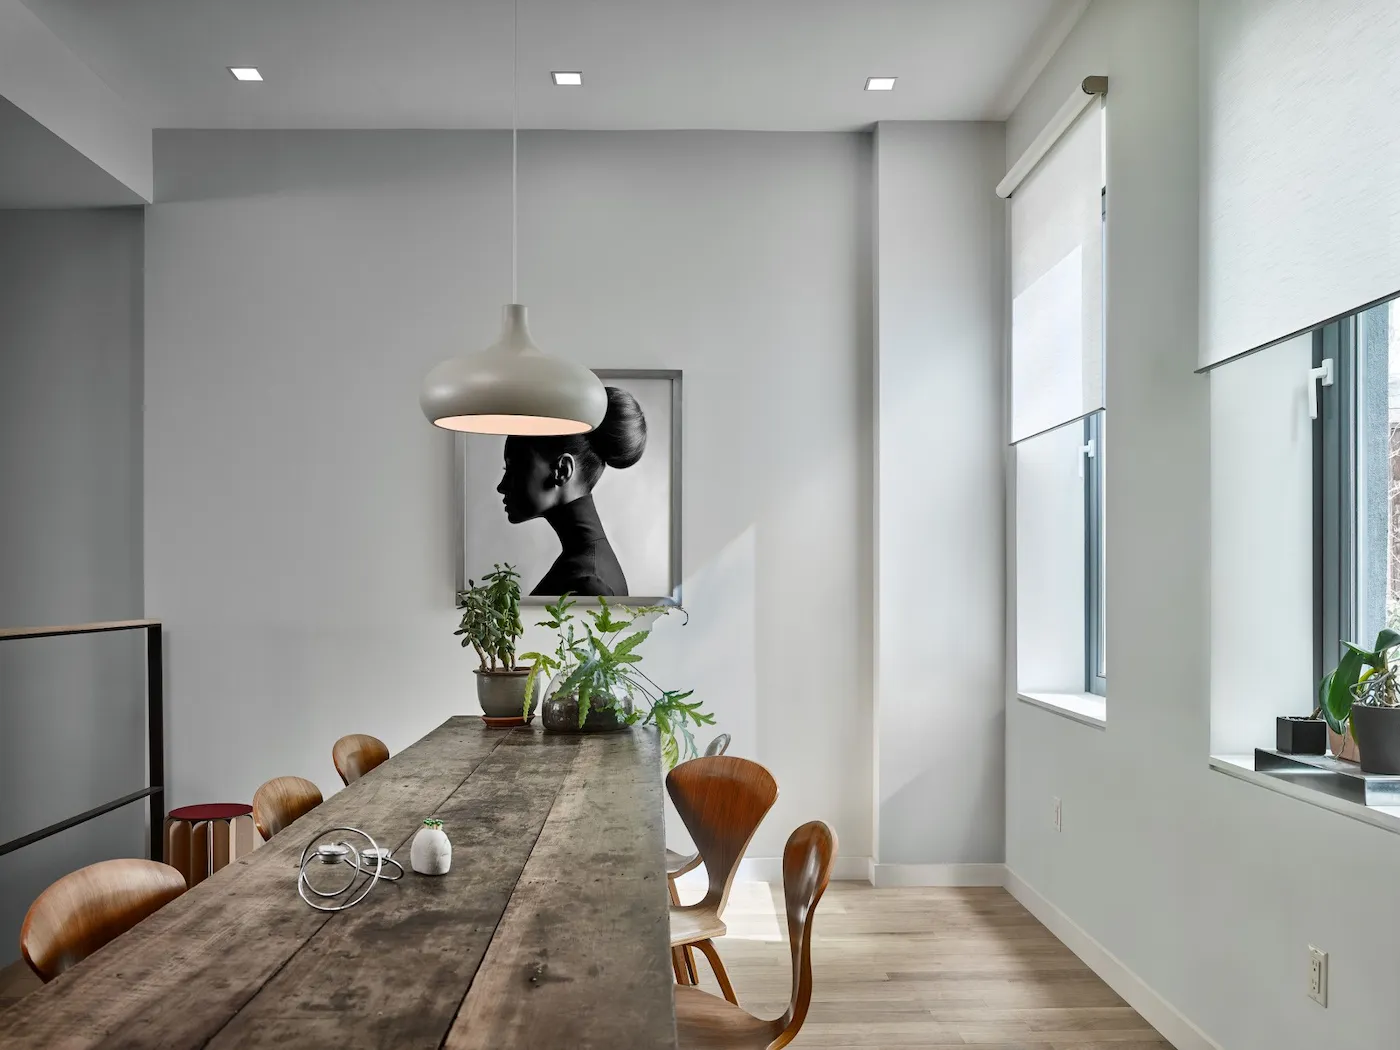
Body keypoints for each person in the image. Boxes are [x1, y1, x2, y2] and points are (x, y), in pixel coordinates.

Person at [496, 387, 646, 596]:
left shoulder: (588, 581)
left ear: (562, 470)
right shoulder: (585, 569)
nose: (501, 486)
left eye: (514, 469)